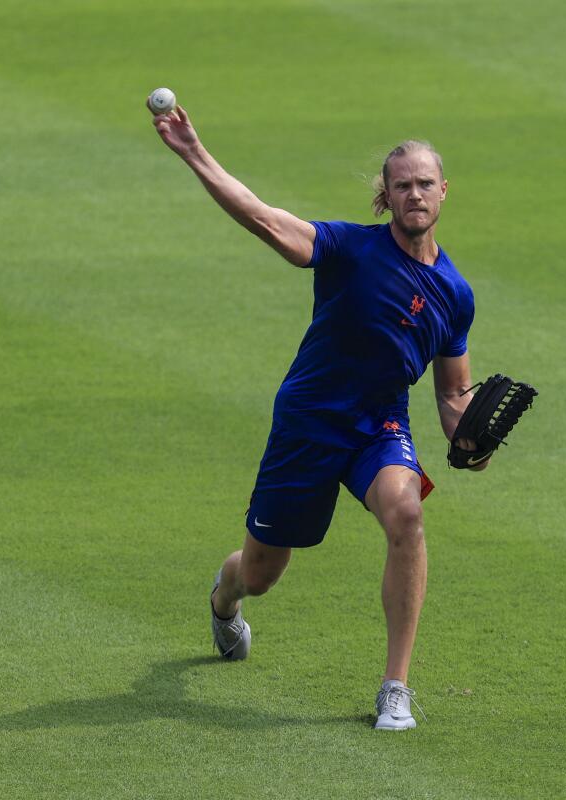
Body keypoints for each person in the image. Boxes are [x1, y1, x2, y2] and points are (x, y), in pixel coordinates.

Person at [151, 103, 484, 731]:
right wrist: (193, 150)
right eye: (402, 184)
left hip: (379, 426)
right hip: (308, 421)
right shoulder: (347, 248)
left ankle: (395, 688)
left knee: (407, 513)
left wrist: (471, 436)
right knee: (261, 573)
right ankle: (225, 600)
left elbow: (452, 392)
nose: (415, 193)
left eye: (425, 183)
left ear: (444, 192)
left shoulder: (455, 293)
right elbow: (262, 218)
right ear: (385, 197)